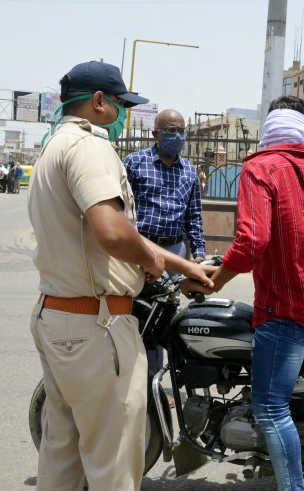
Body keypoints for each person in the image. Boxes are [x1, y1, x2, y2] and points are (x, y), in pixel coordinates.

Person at [27, 60, 214, 491]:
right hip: (96, 324)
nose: (122, 113)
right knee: (112, 462)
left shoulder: (54, 144)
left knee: (63, 452)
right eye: (120, 104)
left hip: (57, 315)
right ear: (97, 102)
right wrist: (153, 259)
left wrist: (184, 263)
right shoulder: (90, 147)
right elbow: (113, 233)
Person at [182, 95, 304, 491]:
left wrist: (213, 281)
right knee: (279, 403)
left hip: (283, 313)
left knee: (271, 408)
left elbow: (252, 241)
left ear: (268, 132)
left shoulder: (261, 168)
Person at [123, 108, 206, 402]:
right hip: (140, 249)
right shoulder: (133, 164)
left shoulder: (189, 171)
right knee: (138, 319)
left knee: (169, 322)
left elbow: (194, 217)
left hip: (174, 251)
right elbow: (121, 212)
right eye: (170, 131)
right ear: (156, 134)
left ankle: (164, 387)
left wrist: (198, 254)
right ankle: (142, 387)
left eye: (181, 131)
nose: (177, 136)